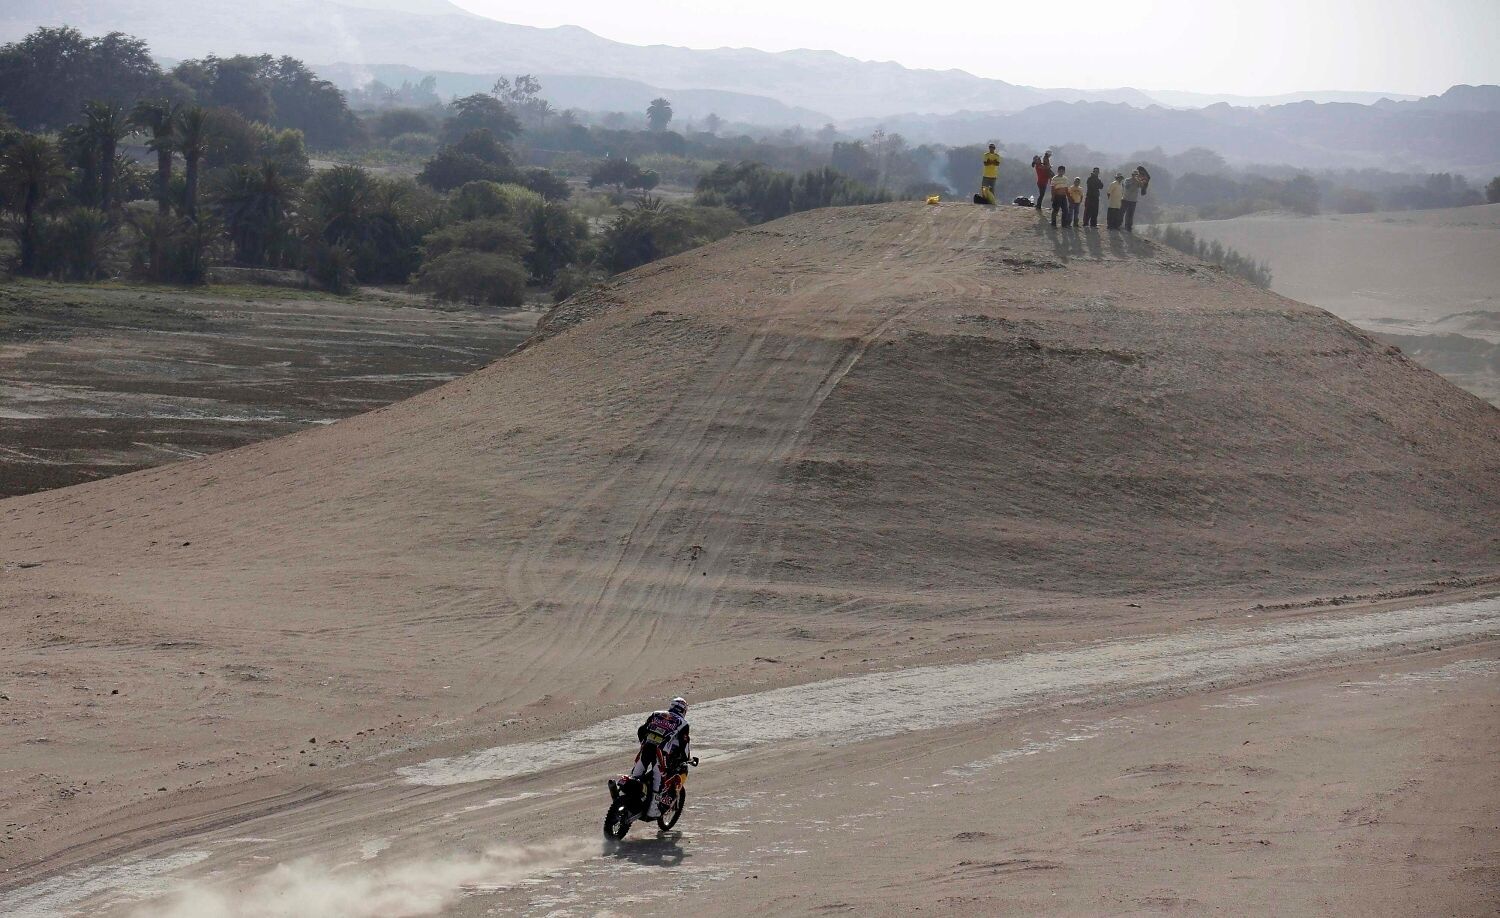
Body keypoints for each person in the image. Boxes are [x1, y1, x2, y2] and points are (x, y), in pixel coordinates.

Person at [628, 696, 692, 818]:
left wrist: (644, 742)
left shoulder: (656, 714)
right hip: (661, 753)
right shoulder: (683, 723)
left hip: (647, 747)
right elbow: (684, 745)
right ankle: (653, 810)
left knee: (635, 774)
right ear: (684, 710)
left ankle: (623, 797)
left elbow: (641, 730)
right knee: (658, 780)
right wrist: (685, 758)